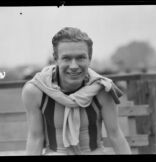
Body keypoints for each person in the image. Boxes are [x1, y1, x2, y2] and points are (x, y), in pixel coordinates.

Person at [21, 27, 131, 155]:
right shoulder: (36, 91)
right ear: (56, 59)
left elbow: (115, 135)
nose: (74, 66)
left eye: (80, 58)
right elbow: (35, 139)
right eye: (66, 58)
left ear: (89, 58)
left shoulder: (103, 89)